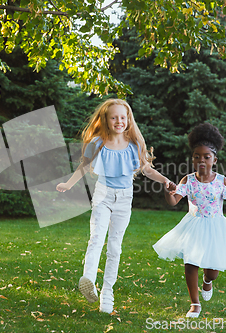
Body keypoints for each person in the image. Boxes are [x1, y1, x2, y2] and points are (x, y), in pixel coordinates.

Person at [56, 98, 175, 314]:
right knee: (96, 238)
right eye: (114, 117)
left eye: (123, 117)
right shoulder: (97, 143)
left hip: (124, 199)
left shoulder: (134, 145)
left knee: (115, 248)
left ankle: (107, 293)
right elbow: (84, 168)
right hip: (103, 196)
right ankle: (89, 280)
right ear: (106, 119)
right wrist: (68, 184)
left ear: (128, 119)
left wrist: (165, 181)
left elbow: (147, 170)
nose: (119, 121)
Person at [152, 123, 226, 318]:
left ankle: (208, 281)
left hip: (215, 227)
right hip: (194, 225)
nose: (201, 160)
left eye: (206, 157)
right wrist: (169, 191)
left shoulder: (221, 181)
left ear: (214, 159)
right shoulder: (188, 180)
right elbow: (173, 201)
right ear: (192, 159)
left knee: (213, 270)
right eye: (197, 157)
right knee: (190, 264)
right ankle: (195, 304)